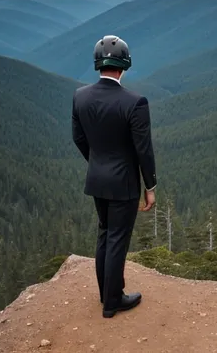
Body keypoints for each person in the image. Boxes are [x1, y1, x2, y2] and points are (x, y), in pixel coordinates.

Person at [71, 35, 157, 318]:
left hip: (97, 179)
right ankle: (112, 302)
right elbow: (143, 150)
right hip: (124, 184)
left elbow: (79, 138)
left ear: (98, 64)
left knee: (105, 234)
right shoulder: (135, 102)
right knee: (118, 239)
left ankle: (104, 294)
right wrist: (150, 185)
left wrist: (96, 162)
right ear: (124, 65)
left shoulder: (80, 96)